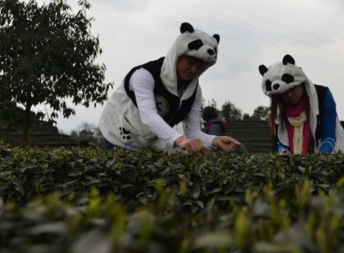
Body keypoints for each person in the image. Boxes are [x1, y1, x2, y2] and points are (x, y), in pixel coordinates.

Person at [99, 22, 243, 154]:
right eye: (191, 62)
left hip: (148, 143)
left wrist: (214, 140)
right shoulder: (144, 75)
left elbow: (192, 131)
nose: (194, 70)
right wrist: (180, 140)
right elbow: (149, 116)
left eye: (200, 66)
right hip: (118, 136)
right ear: (177, 55)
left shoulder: (194, 91)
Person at [258, 54, 344, 155]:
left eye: (292, 89)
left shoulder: (323, 96)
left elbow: (329, 136)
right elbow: (282, 142)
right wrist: (284, 152)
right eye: (284, 93)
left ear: (301, 83)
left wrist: (320, 156)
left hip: (328, 152)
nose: (289, 95)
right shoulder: (280, 108)